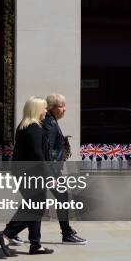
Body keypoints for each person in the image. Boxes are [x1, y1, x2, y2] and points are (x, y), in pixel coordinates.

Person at [0, 96, 54, 256]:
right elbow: (37, 154)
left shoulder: (24, 126)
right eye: (44, 108)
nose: (46, 111)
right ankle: (7, 233)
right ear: (36, 109)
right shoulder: (33, 128)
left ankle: (35, 245)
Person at [42, 93, 87, 245]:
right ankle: (66, 233)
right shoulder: (49, 123)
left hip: (52, 169)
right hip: (51, 170)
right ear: (52, 108)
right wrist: (52, 173)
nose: (65, 109)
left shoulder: (52, 121)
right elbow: (47, 150)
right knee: (61, 198)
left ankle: (13, 232)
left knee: (35, 202)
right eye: (61, 106)